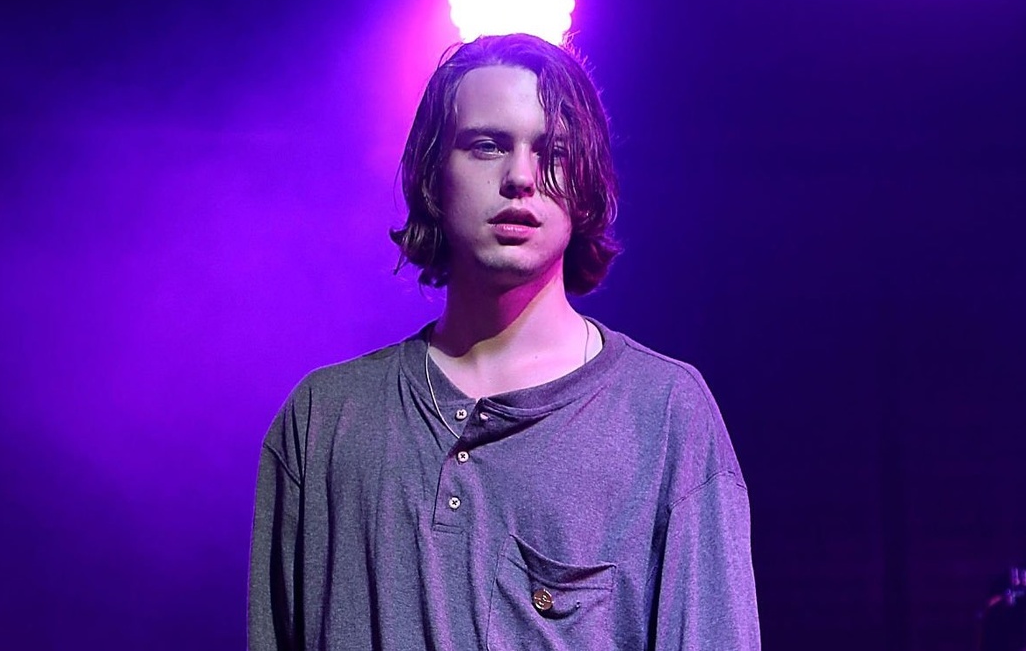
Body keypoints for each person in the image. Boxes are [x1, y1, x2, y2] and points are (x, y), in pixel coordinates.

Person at [248, 33, 760, 650]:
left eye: (554, 151)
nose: (521, 177)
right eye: (487, 146)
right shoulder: (324, 420)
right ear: (434, 176)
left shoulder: (664, 414)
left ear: (587, 183)